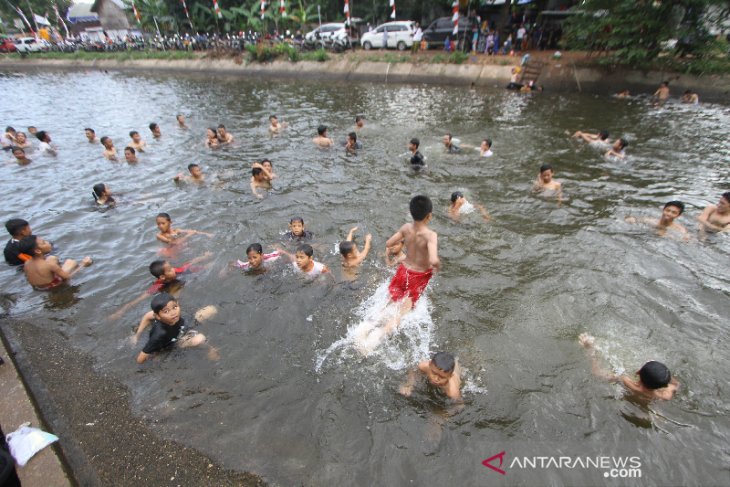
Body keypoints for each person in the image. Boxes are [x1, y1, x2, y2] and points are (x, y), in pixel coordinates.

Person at [358, 196, 440, 353]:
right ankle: (375, 338)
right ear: (429, 215)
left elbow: (389, 243)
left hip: (403, 271)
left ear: (411, 212)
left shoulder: (406, 228)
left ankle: (366, 327)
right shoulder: (431, 236)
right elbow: (434, 259)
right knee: (402, 312)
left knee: (391, 300)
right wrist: (436, 266)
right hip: (417, 277)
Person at [109, 253, 212, 320]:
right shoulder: (158, 284)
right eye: (170, 269)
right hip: (172, 288)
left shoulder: (178, 272)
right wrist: (121, 311)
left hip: (181, 281)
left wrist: (204, 257)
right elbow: (142, 297)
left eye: (171, 267)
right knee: (172, 300)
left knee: (205, 267)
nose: (173, 269)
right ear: (162, 277)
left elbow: (189, 264)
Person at [579, 333, 678, 401]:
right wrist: (663, 376)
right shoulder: (665, 395)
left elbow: (597, 372)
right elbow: (675, 384)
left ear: (638, 372)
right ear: (663, 385)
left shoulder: (626, 381)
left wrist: (590, 349)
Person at [131, 293, 219, 364]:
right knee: (200, 338)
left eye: (174, 307)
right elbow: (140, 359)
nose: (173, 313)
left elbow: (147, 315)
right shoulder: (159, 334)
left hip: (183, 327)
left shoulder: (170, 316)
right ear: (158, 316)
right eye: (166, 311)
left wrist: (137, 335)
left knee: (211, 309)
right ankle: (209, 350)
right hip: (174, 342)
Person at [19, 235, 92, 290]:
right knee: (71, 262)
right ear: (38, 251)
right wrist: (83, 264)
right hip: (55, 287)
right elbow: (67, 279)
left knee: (52, 258)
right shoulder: (50, 265)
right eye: (44, 243)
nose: (48, 242)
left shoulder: (26, 263)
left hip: (40, 288)